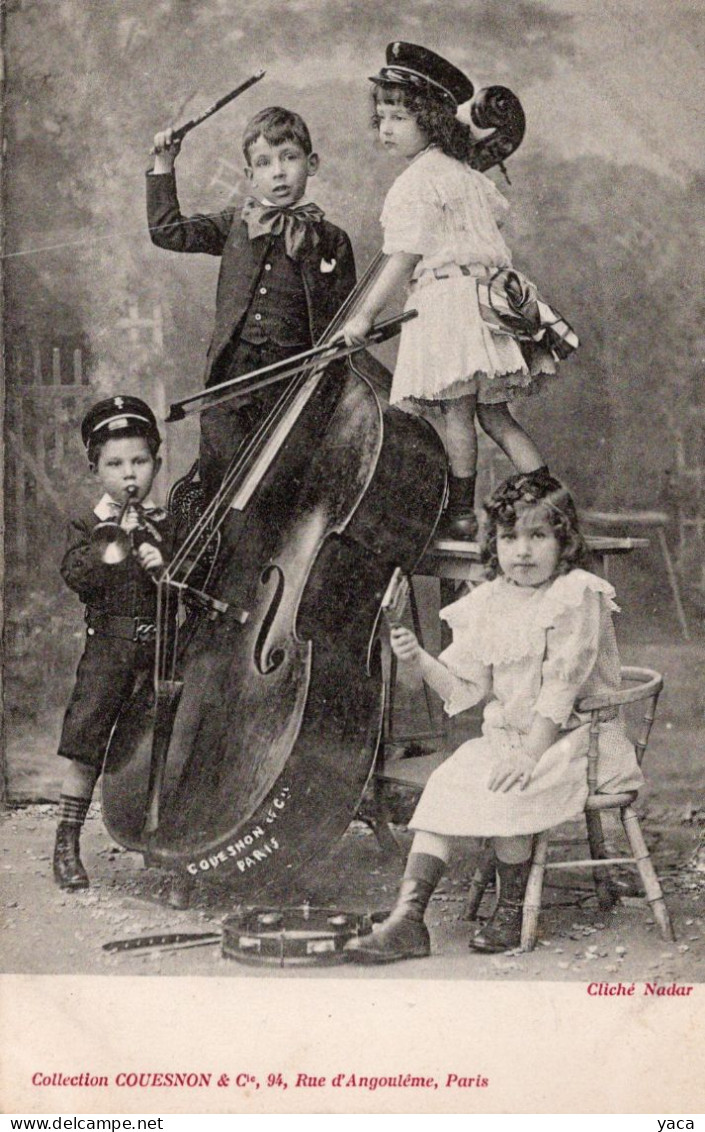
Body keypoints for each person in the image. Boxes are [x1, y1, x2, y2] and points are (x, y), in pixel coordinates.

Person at [345, 470, 644, 961]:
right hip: (512, 737)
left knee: (513, 784)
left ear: (563, 542)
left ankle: (509, 907)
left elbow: (562, 687)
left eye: (538, 536)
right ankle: (408, 919)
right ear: (495, 544)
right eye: (510, 538)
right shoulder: (489, 600)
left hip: (579, 738)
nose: (522, 551)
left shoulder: (577, 595)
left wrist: (529, 754)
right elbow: (467, 689)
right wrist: (419, 659)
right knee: (449, 780)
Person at [342, 42, 573, 540]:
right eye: (381, 117)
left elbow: (402, 255)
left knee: (458, 413)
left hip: (448, 303)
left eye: (399, 117)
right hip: (489, 300)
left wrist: (362, 318)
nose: (386, 128)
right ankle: (553, 500)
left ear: (429, 118)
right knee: (493, 413)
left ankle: (462, 515)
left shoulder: (415, 182)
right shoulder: (465, 176)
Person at [146, 106, 357, 501]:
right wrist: (163, 163)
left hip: (296, 386)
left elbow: (344, 322)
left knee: (283, 494)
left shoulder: (333, 240)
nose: (278, 172)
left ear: (311, 164)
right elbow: (167, 231)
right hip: (231, 383)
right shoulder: (234, 225)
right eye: (264, 162)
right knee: (221, 489)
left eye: (289, 158)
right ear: (249, 175)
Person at [53, 396, 182, 891]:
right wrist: (116, 547)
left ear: (156, 463)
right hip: (109, 651)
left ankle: (163, 846)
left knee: (164, 744)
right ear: (95, 469)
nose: (130, 475)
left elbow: (194, 578)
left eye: (139, 461)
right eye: (115, 464)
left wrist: (164, 566)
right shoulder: (87, 526)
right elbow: (77, 576)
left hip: (162, 652)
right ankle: (67, 841)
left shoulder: (168, 522)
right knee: (88, 744)